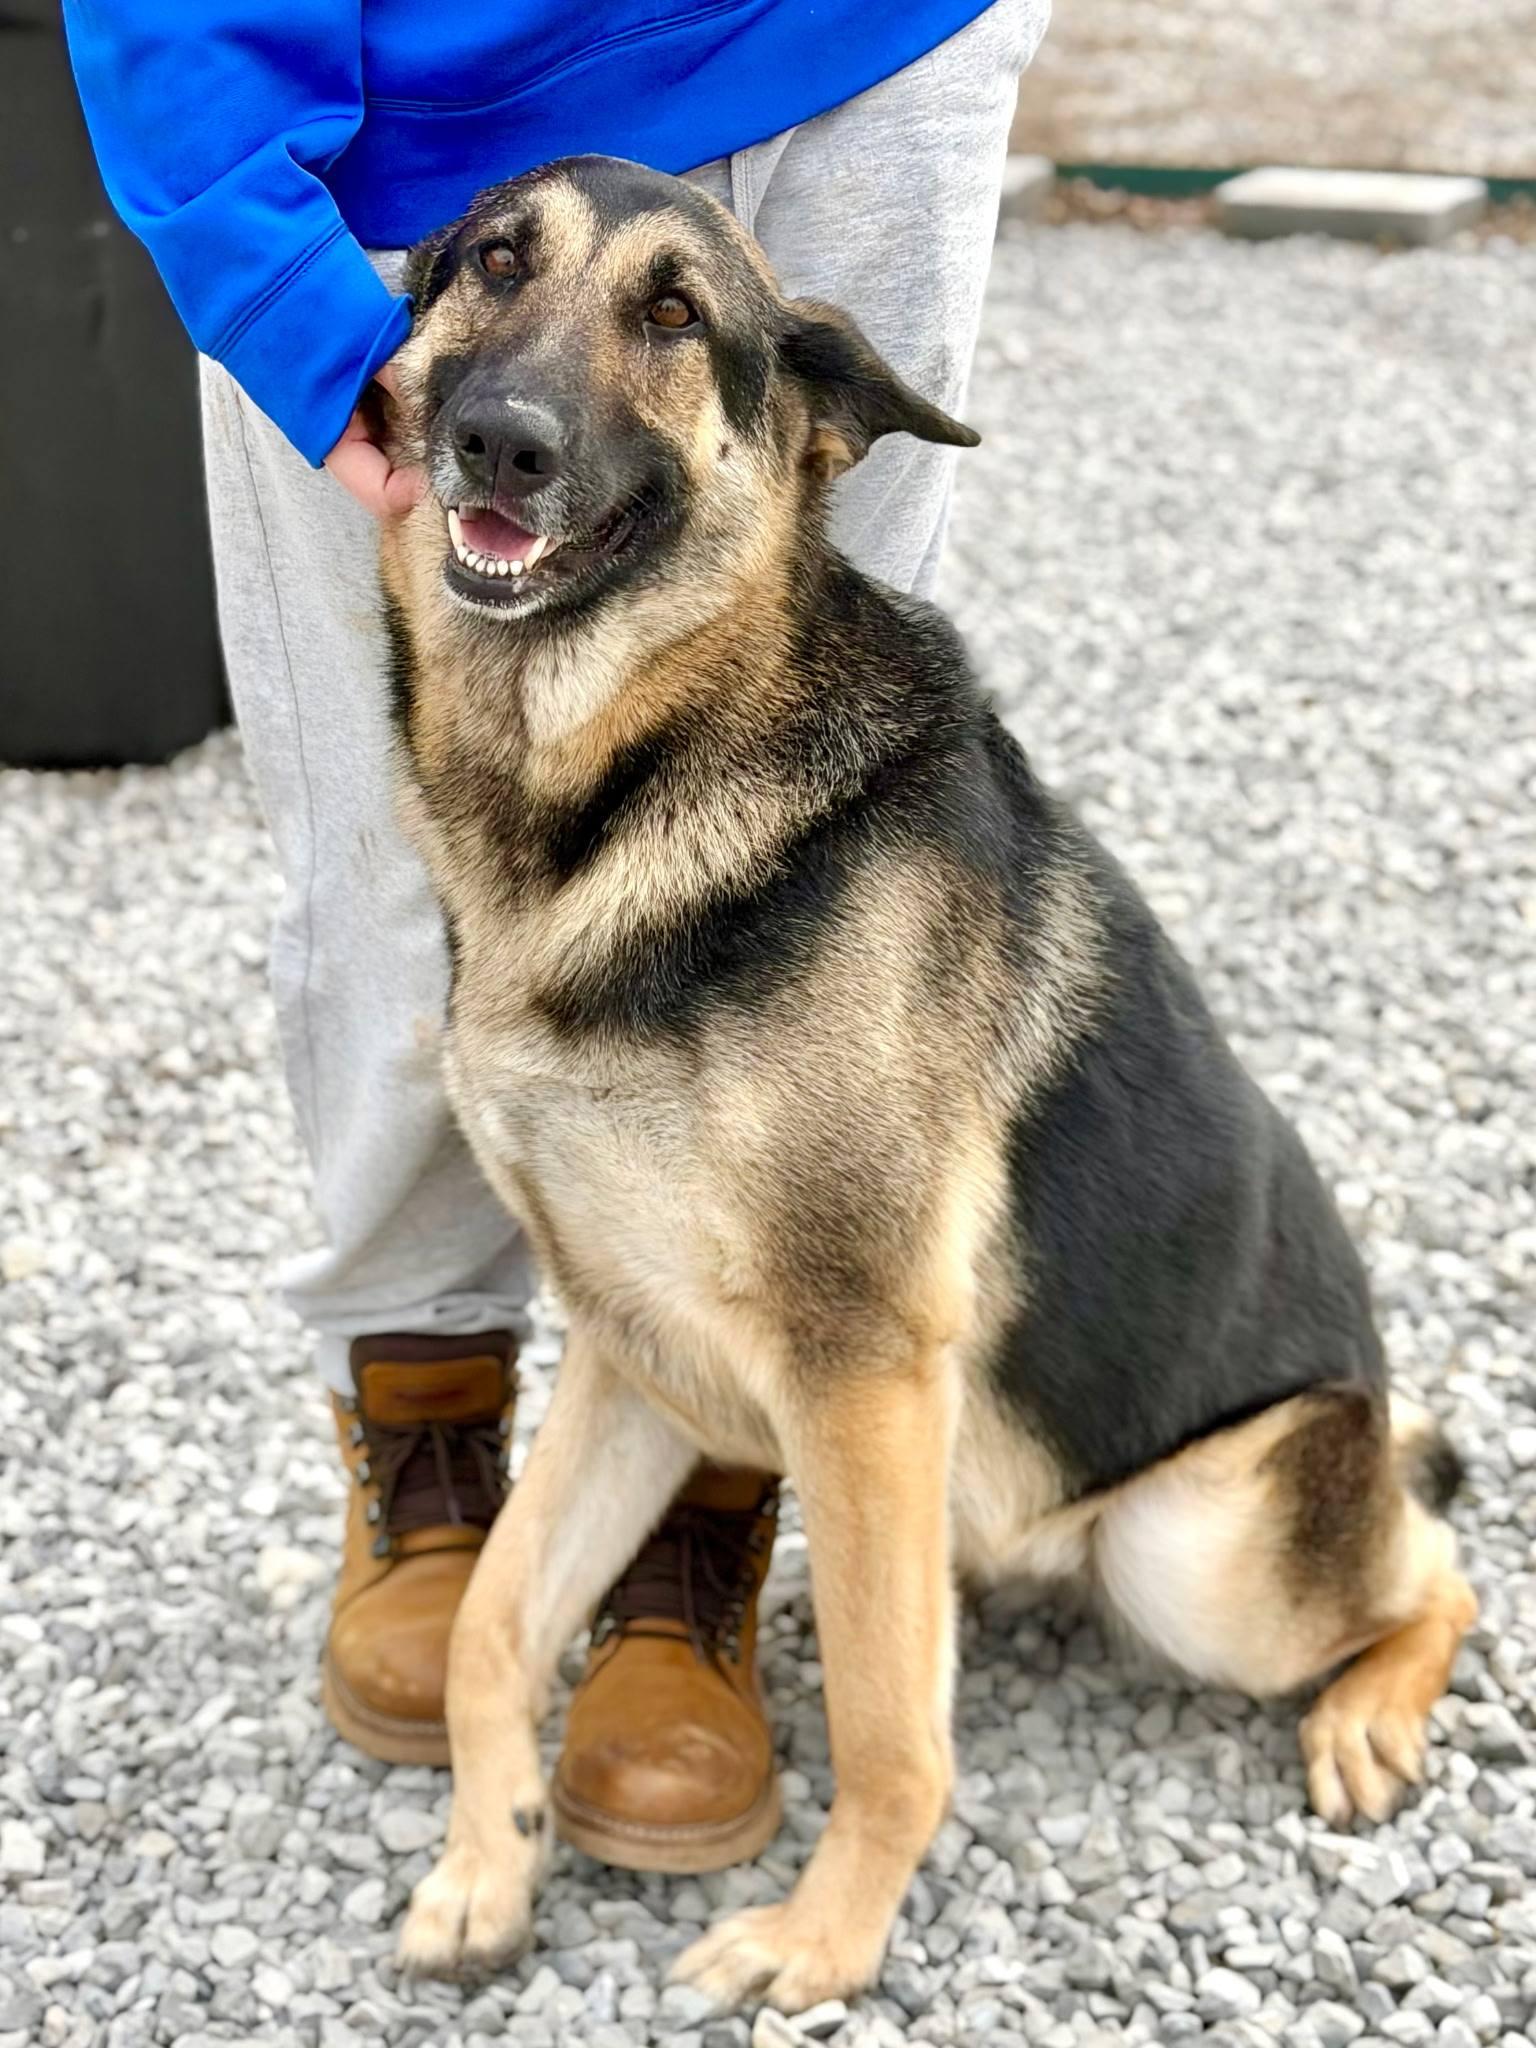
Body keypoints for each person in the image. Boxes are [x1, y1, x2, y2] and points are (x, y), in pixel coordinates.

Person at [62, 0, 1050, 1873]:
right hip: (395, 129)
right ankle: (424, 1416)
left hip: (872, 55)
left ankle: (712, 1515)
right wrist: (258, 255)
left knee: (829, 877)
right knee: (385, 879)